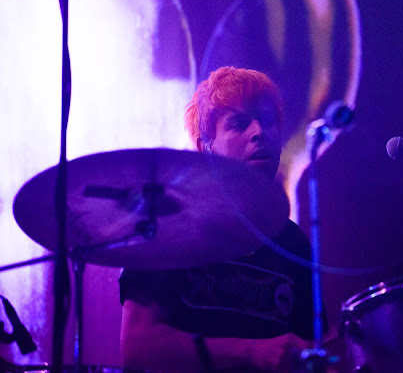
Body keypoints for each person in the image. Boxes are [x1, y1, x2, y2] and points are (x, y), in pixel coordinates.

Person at [119, 66, 325, 372]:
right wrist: (251, 352)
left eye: (268, 122)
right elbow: (138, 346)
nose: (259, 132)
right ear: (206, 148)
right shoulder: (167, 227)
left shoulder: (293, 244)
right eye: (239, 124)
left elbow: (310, 351)